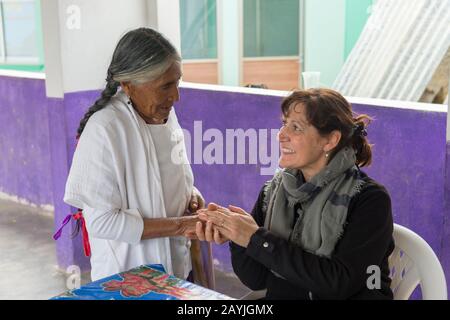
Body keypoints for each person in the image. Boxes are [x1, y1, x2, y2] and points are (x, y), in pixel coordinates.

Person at [196, 88, 395, 299]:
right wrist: (238, 237)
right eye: (284, 123)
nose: (281, 135)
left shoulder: (369, 200)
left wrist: (256, 239)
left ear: (330, 141)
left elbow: (339, 282)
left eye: (296, 128)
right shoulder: (273, 191)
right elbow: (256, 279)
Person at [63, 28, 210, 284]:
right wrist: (181, 225)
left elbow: (166, 174)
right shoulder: (105, 129)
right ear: (129, 85)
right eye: (166, 86)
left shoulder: (163, 113)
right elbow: (103, 223)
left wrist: (189, 194)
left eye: (177, 82)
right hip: (127, 279)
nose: (176, 96)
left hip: (174, 267)